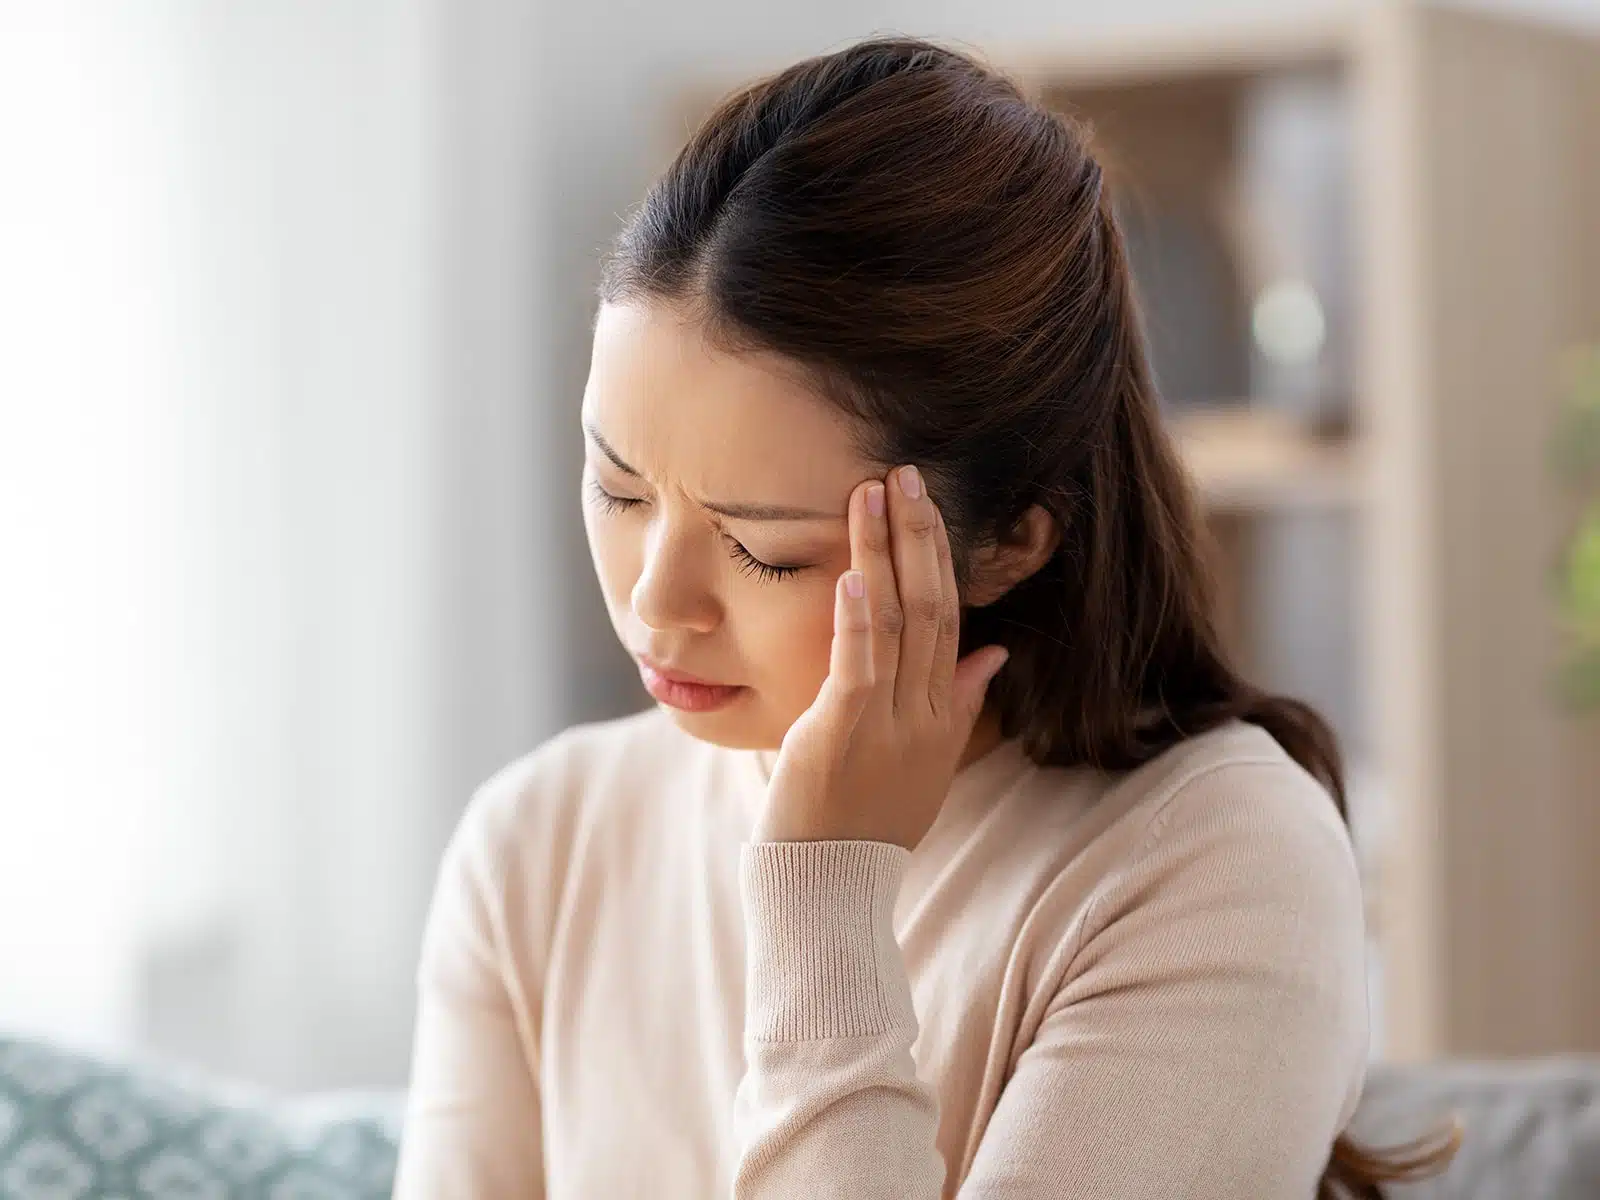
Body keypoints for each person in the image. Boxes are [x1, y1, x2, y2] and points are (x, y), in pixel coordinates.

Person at [394, 36, 1454, 1199]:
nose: (655, 600)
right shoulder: (539, 843)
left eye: (763, 550)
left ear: (1008, 540)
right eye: (617, 487)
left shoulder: (1213, 863)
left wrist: (824, 893)